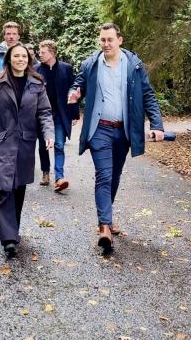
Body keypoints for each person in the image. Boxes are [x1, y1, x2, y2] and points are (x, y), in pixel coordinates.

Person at [68, 23, 164, 252]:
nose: (106, 44)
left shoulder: (134, 66)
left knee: (114, 176)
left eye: (110, 39)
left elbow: (148, 95)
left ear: (120, 40)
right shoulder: (90, 64)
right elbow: (77, 84)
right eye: (102, 40)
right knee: (104, 174)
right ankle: (104, 227)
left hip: (123, 130)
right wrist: (74, 93)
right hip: (99, 129)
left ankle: (107, 217)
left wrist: (157, 124)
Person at [0, 44, 55, 258]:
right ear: (8, 59)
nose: (20, 59)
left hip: (25, 143)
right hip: (1, 142)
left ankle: (13, 229)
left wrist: (48, 134)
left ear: (29, 59)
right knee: (5, 189)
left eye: (24, 56)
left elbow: (44, 113)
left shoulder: (37, 84)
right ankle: (8, 238)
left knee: (18, 188)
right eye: (16, 56)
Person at [35, 40, 79, 192]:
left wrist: (74, 114)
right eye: (39, 52)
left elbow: (73, 92)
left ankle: (59, 177)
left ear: (52, 53)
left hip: (60, 113)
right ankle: (45, 172)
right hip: (42, 114)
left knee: (59, 144)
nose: (40, 54)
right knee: (43, 145)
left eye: (43, 52)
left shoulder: (66, 69)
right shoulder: (35, 70)